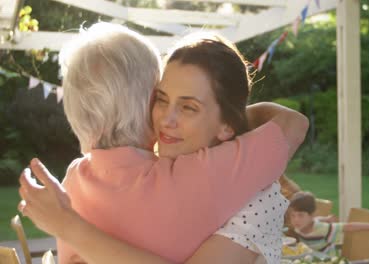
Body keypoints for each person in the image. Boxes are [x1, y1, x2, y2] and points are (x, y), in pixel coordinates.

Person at [18, 23, 309, 264]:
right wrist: (219, 119)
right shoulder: (198, 176)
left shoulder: (73, 180)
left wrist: (222, 120)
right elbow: (291, 126)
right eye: (162, 98)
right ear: (145, 103)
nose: (168, 119)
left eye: (188, 107)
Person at [288, 191, 369, 257]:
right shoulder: (300, 226)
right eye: (293, 215)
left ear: (311, 215)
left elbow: (348, 226)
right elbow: (315, 219)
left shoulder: (322, 229)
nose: (296, 220)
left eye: (300, 215)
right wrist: (325, 218)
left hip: (330, 260)